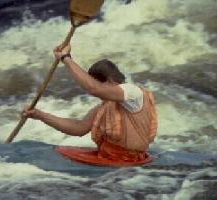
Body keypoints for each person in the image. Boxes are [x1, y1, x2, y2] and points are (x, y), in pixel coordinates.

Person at [22, 44, 158, 166]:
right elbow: (79, 128)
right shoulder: (106, 105)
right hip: (109, 157)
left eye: (98, 84)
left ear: (110, 80)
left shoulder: (132, 92)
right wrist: (39, 115)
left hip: (131, 161)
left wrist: (66, 58)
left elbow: (94, 88)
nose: (94, 94)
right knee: (56, 151)